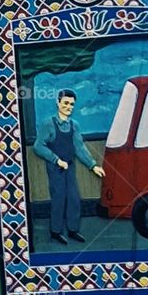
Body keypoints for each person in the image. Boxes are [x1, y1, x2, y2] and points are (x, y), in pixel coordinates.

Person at [33, 89, 104, 245]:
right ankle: (56, 232)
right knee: (59, 199)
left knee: (73, 198)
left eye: (72, 104)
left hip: (70, 167)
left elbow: (79, 148)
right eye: (66, 103)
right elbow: (38, 146)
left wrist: (93, 166)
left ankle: (73, 230)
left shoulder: (74, 125)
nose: (69, 106)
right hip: (55, 168)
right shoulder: (48, 124)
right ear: (58, 103)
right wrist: (56, 160)